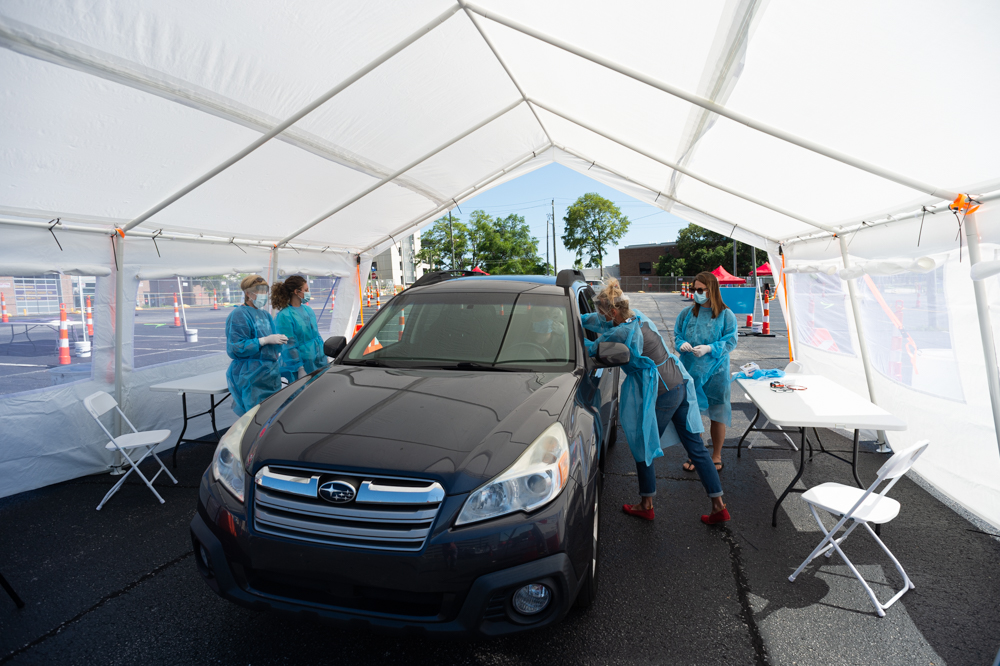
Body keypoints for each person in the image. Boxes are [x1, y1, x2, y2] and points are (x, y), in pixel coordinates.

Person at [582, 278, 729, 524]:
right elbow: (598, 321)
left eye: (602, 312)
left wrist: (565, 329)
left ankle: (646, 504)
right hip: (679, 383)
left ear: (613, 312)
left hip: (662, 391)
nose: (600, 317)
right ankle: (718, 506)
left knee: (644, 444)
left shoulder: (621, 332)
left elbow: (591, 347)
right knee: (695, 447)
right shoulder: (636, 316)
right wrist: (578, 318)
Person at [674, 271, 739, 473]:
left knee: (718, 413)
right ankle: (696, 454)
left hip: (716, 372)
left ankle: (716, 455)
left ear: (712, 290)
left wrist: (710, 348)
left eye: (700, 290)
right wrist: (681, 343)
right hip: (691, 370)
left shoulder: (726, 315)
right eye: (694, 289)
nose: (696, 293)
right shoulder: (687, 313)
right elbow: (677, 334)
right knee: (692, 414)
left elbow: (731, 340)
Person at [225, 275, 287, 416]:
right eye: (260, 291)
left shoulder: (265, 315)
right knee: (255, 417)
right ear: (248, 293)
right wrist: (263, 341)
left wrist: (279, 340)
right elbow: (236, 347)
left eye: (266, 291)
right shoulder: (239, 315)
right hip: (251, 374)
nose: (264, 295)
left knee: (272, 414)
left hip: (269, 374)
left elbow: (272, 343)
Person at [271, 275, 329, 383]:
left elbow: (316, 335)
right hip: (301, 365)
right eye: (306, 290)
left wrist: (324, 356)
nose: (308, 293)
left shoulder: (308, 310)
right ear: (296, 292)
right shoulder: (285, 315)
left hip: (317, 360)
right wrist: (300, 368)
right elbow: (289, 345)